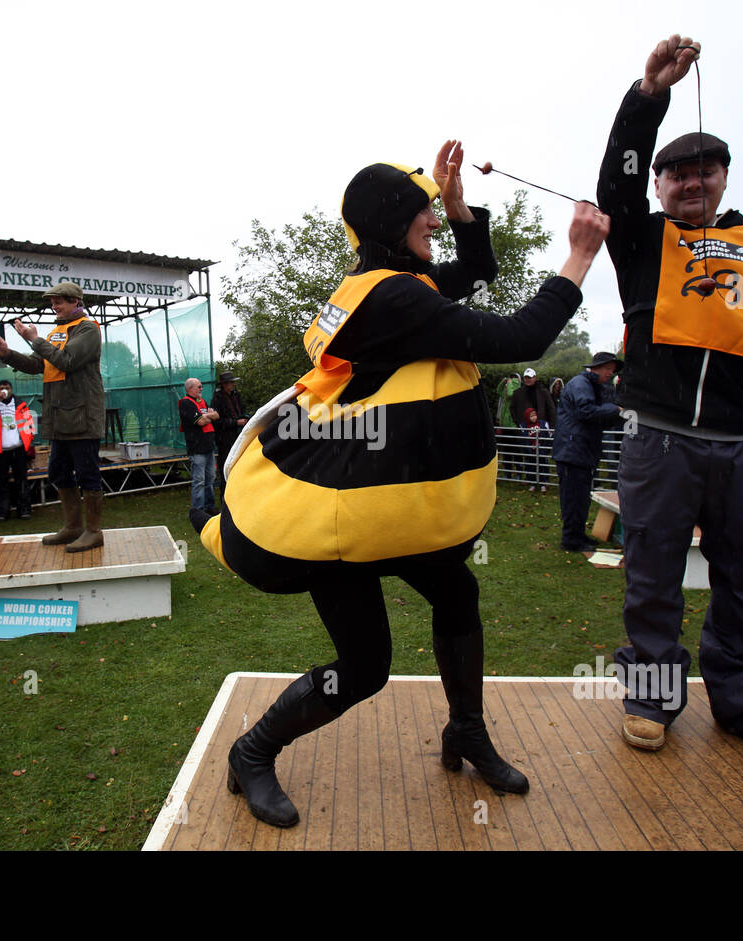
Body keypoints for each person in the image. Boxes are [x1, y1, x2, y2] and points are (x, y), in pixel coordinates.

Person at [196, 141, 611, 828]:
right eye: (423, 213)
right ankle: (252, 750)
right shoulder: (390, 298)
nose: (433, 224)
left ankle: (466, 731)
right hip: (340, 513)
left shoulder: (386, 283)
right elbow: (519, 335)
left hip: (388, 502)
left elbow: (475, 273)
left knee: (458, 589)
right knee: (366, 667)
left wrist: (459, 207)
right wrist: (580, 256)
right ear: (390, 221)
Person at [597, 36, 743, 768]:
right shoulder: (640, 237)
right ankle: (650, 700)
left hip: (742, 446)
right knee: (652, 572)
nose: (691, 183)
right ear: (661, 185)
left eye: (705, 171)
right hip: (658, 438)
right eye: (677, 174)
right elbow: (616, 186)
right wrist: (648, 95)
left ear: (725, 177)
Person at [0, 282, 105, 552]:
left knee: (87, 474)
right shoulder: (56, 332)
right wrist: (7, 353)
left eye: (59, 302)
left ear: (76, 301)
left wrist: (33, 338)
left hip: (83, 417)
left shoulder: (88, 328)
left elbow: (66, 361)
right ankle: (73, 527)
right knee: (58, 471)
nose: (54, 306)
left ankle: (94, 531)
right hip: (60, 418)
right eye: (52, 302)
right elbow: (36, 364)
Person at [553, 352, 623, 550]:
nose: (611, 373)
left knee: (580, 498)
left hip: (579, 450)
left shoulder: (592, 386)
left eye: (613, 370)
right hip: (573, 451)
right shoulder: (580, 384)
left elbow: (597, 416)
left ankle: (577, 536)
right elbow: (586, 412)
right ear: (597, 367)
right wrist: (616, 410)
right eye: (608, 369)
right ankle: (571, 539)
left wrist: (618, 413)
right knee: (573, 498)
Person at [0, 380, 35, 521]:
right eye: (1, 388)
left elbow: (30, 425)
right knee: (1, 481)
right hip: (0, 450)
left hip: (18, 448)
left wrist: (28, 440)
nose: (4, 390)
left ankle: (24, 509)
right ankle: (2, 511)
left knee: (21, 480)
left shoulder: (21, 404)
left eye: (7, 388)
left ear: (11, 389)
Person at [180, 378, 219, 515]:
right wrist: (209, 416)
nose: (201, 389)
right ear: (190, 388)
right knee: (199, 480)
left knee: (210, 478)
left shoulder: (202, 402)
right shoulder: (186, 403)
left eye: (202, 386)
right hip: (197, 449)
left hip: (209, 447)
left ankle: (209, 505)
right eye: (199, 387)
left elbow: (216, 415)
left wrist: (207, 415)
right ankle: (198, 510)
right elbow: (201, 422)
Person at [210, 371, 248, 503]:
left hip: (238, 436)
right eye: (230, 382)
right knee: (226, 468)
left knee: (240, 467)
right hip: (225, 439)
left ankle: (239, 496)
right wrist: (235, 422)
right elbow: (217, 422)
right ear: (224, 385)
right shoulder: (217, 399)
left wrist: (245, 419)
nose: (233, 384)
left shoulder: (237, 396)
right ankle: (225, 499)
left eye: (233, 382)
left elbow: (242, 411)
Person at [521, 407, 552, 491]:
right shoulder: (524, 426)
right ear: (528, 417)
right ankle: (533, 483)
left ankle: (543, 483)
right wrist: (529, 447)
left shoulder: (542, 423)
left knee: (543, 466)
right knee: (531, 467)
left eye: (535, 415)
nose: (534, 417)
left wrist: (545, 448)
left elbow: (548, 435)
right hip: (532, 451)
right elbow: (524, 438)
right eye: (531, 416)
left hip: (542, 449)